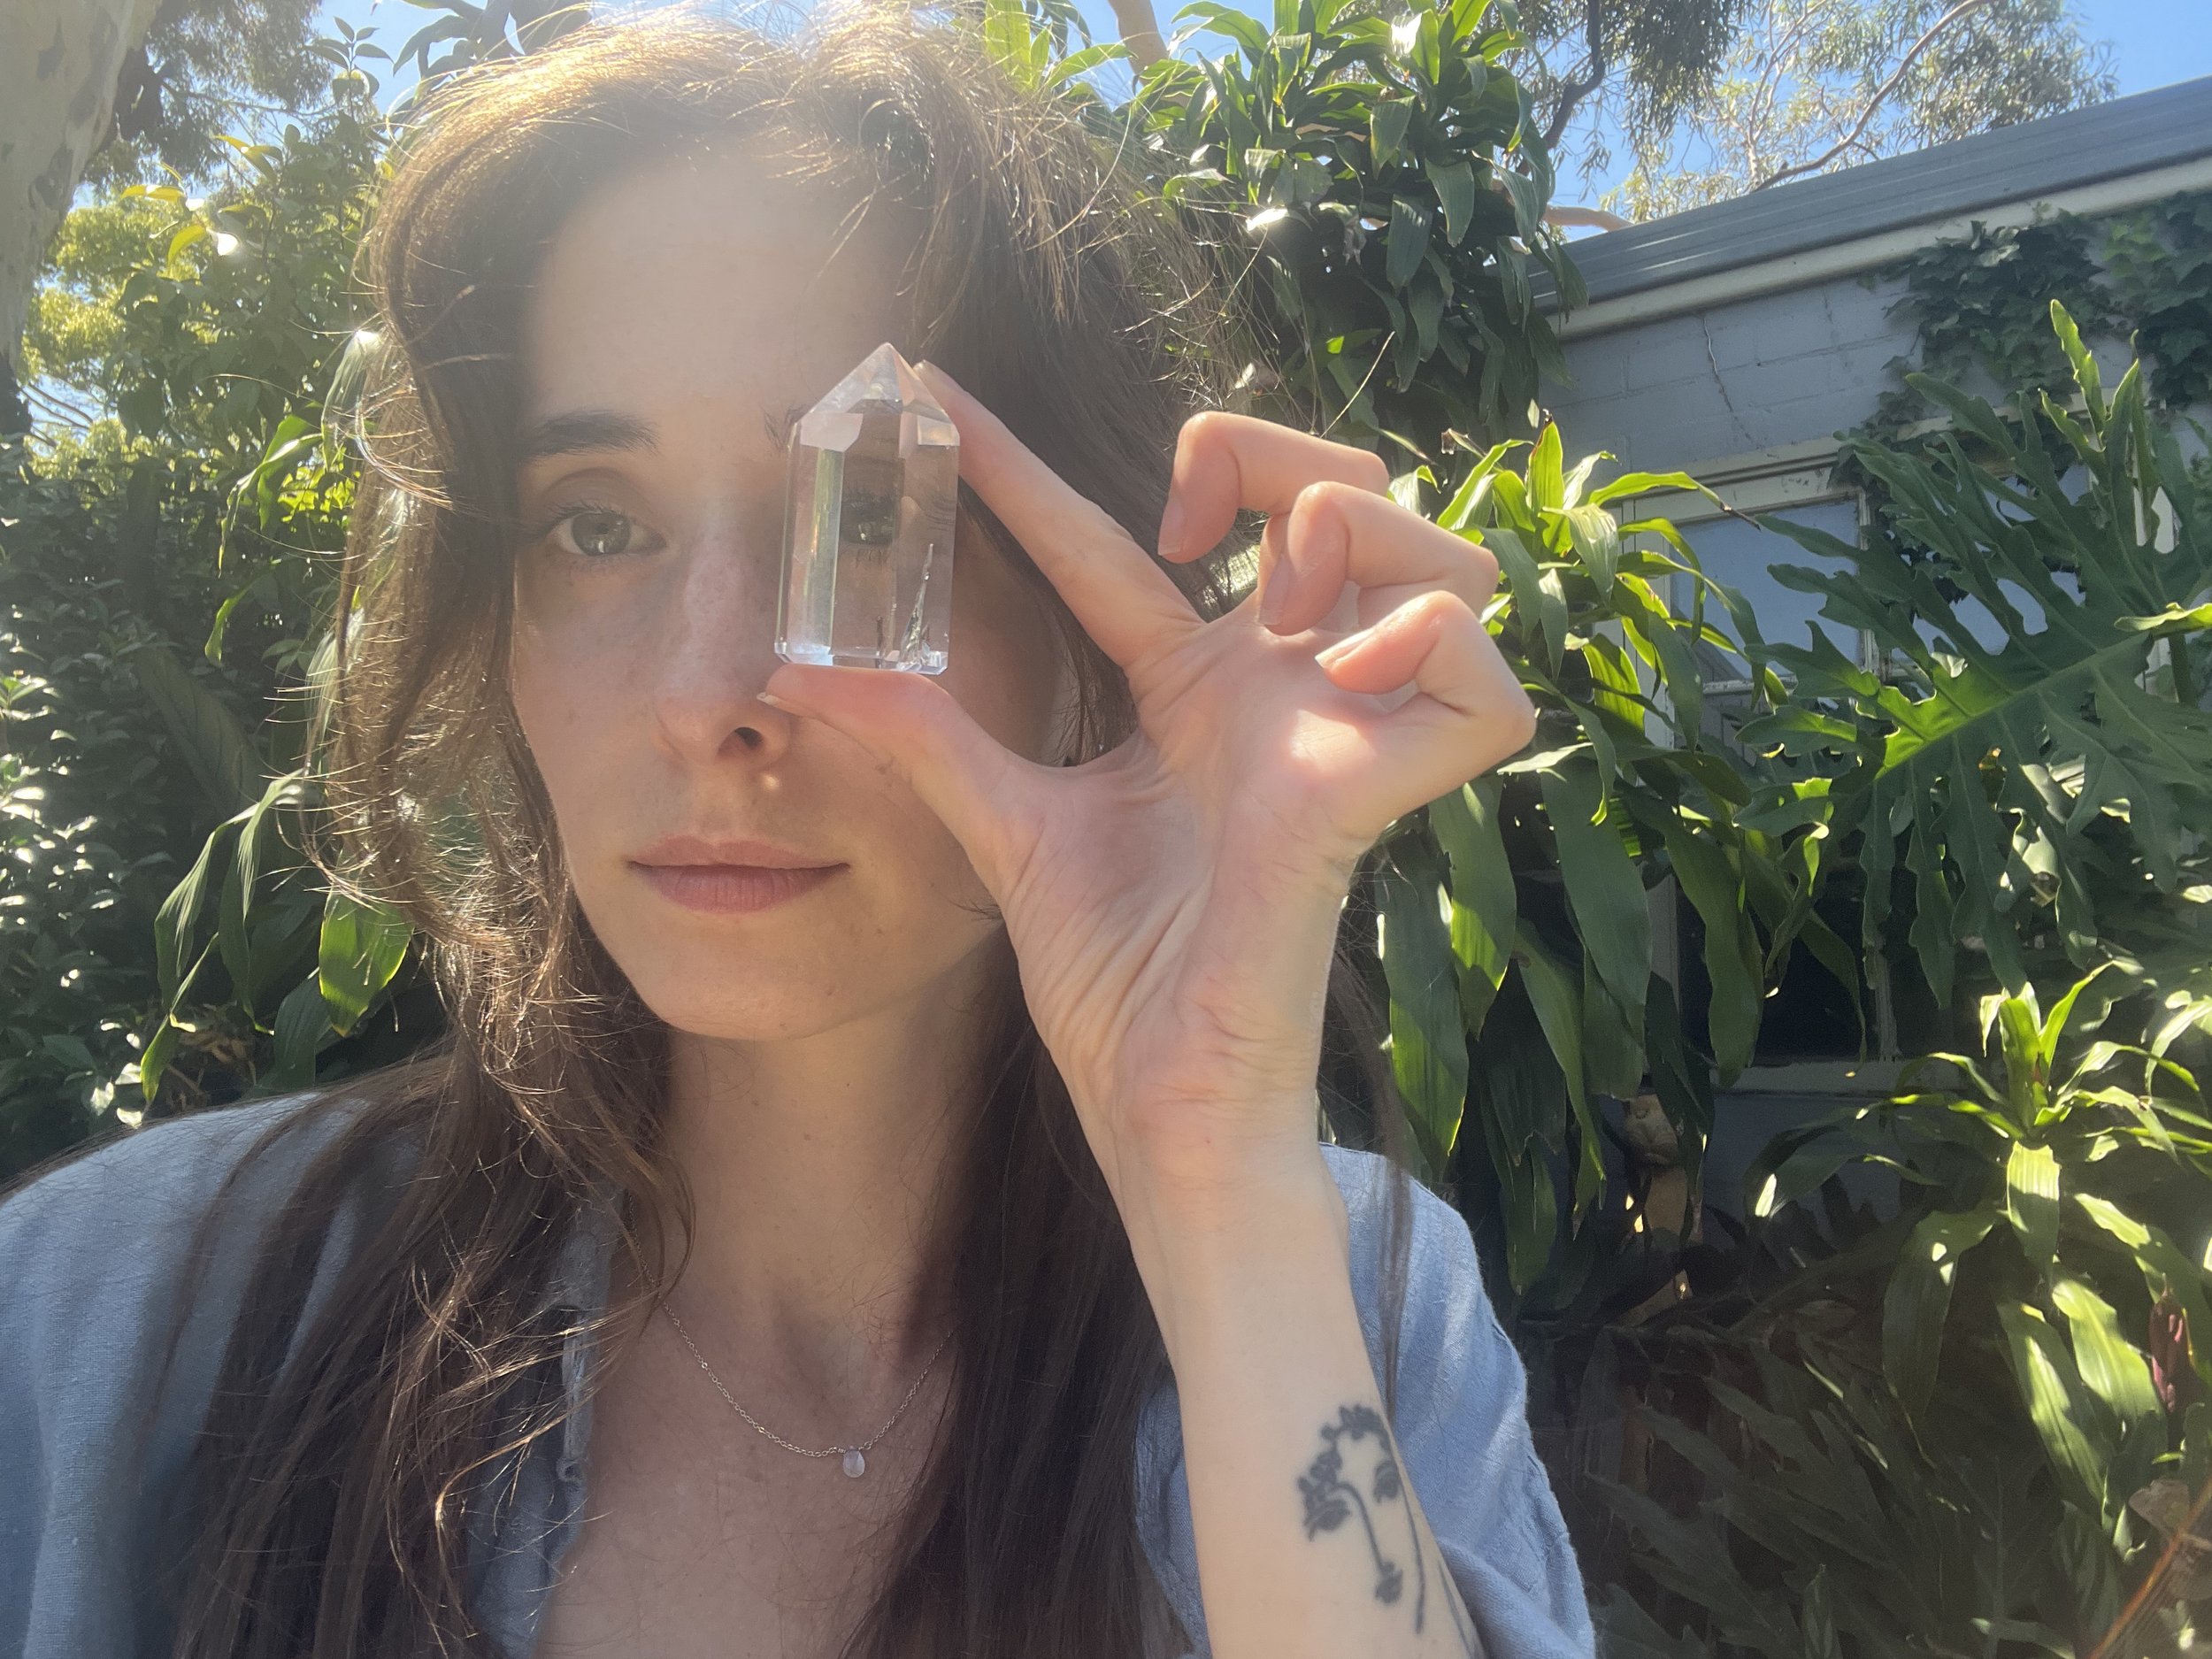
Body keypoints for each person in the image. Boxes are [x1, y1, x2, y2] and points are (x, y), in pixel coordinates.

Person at [0, 8, 1593, 1657]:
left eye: (869, 520)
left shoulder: (1353, 1299)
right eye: (594, 526)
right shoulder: (108, 1321)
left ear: (1100, 606)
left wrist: (1213, 1175)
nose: (704, 697)